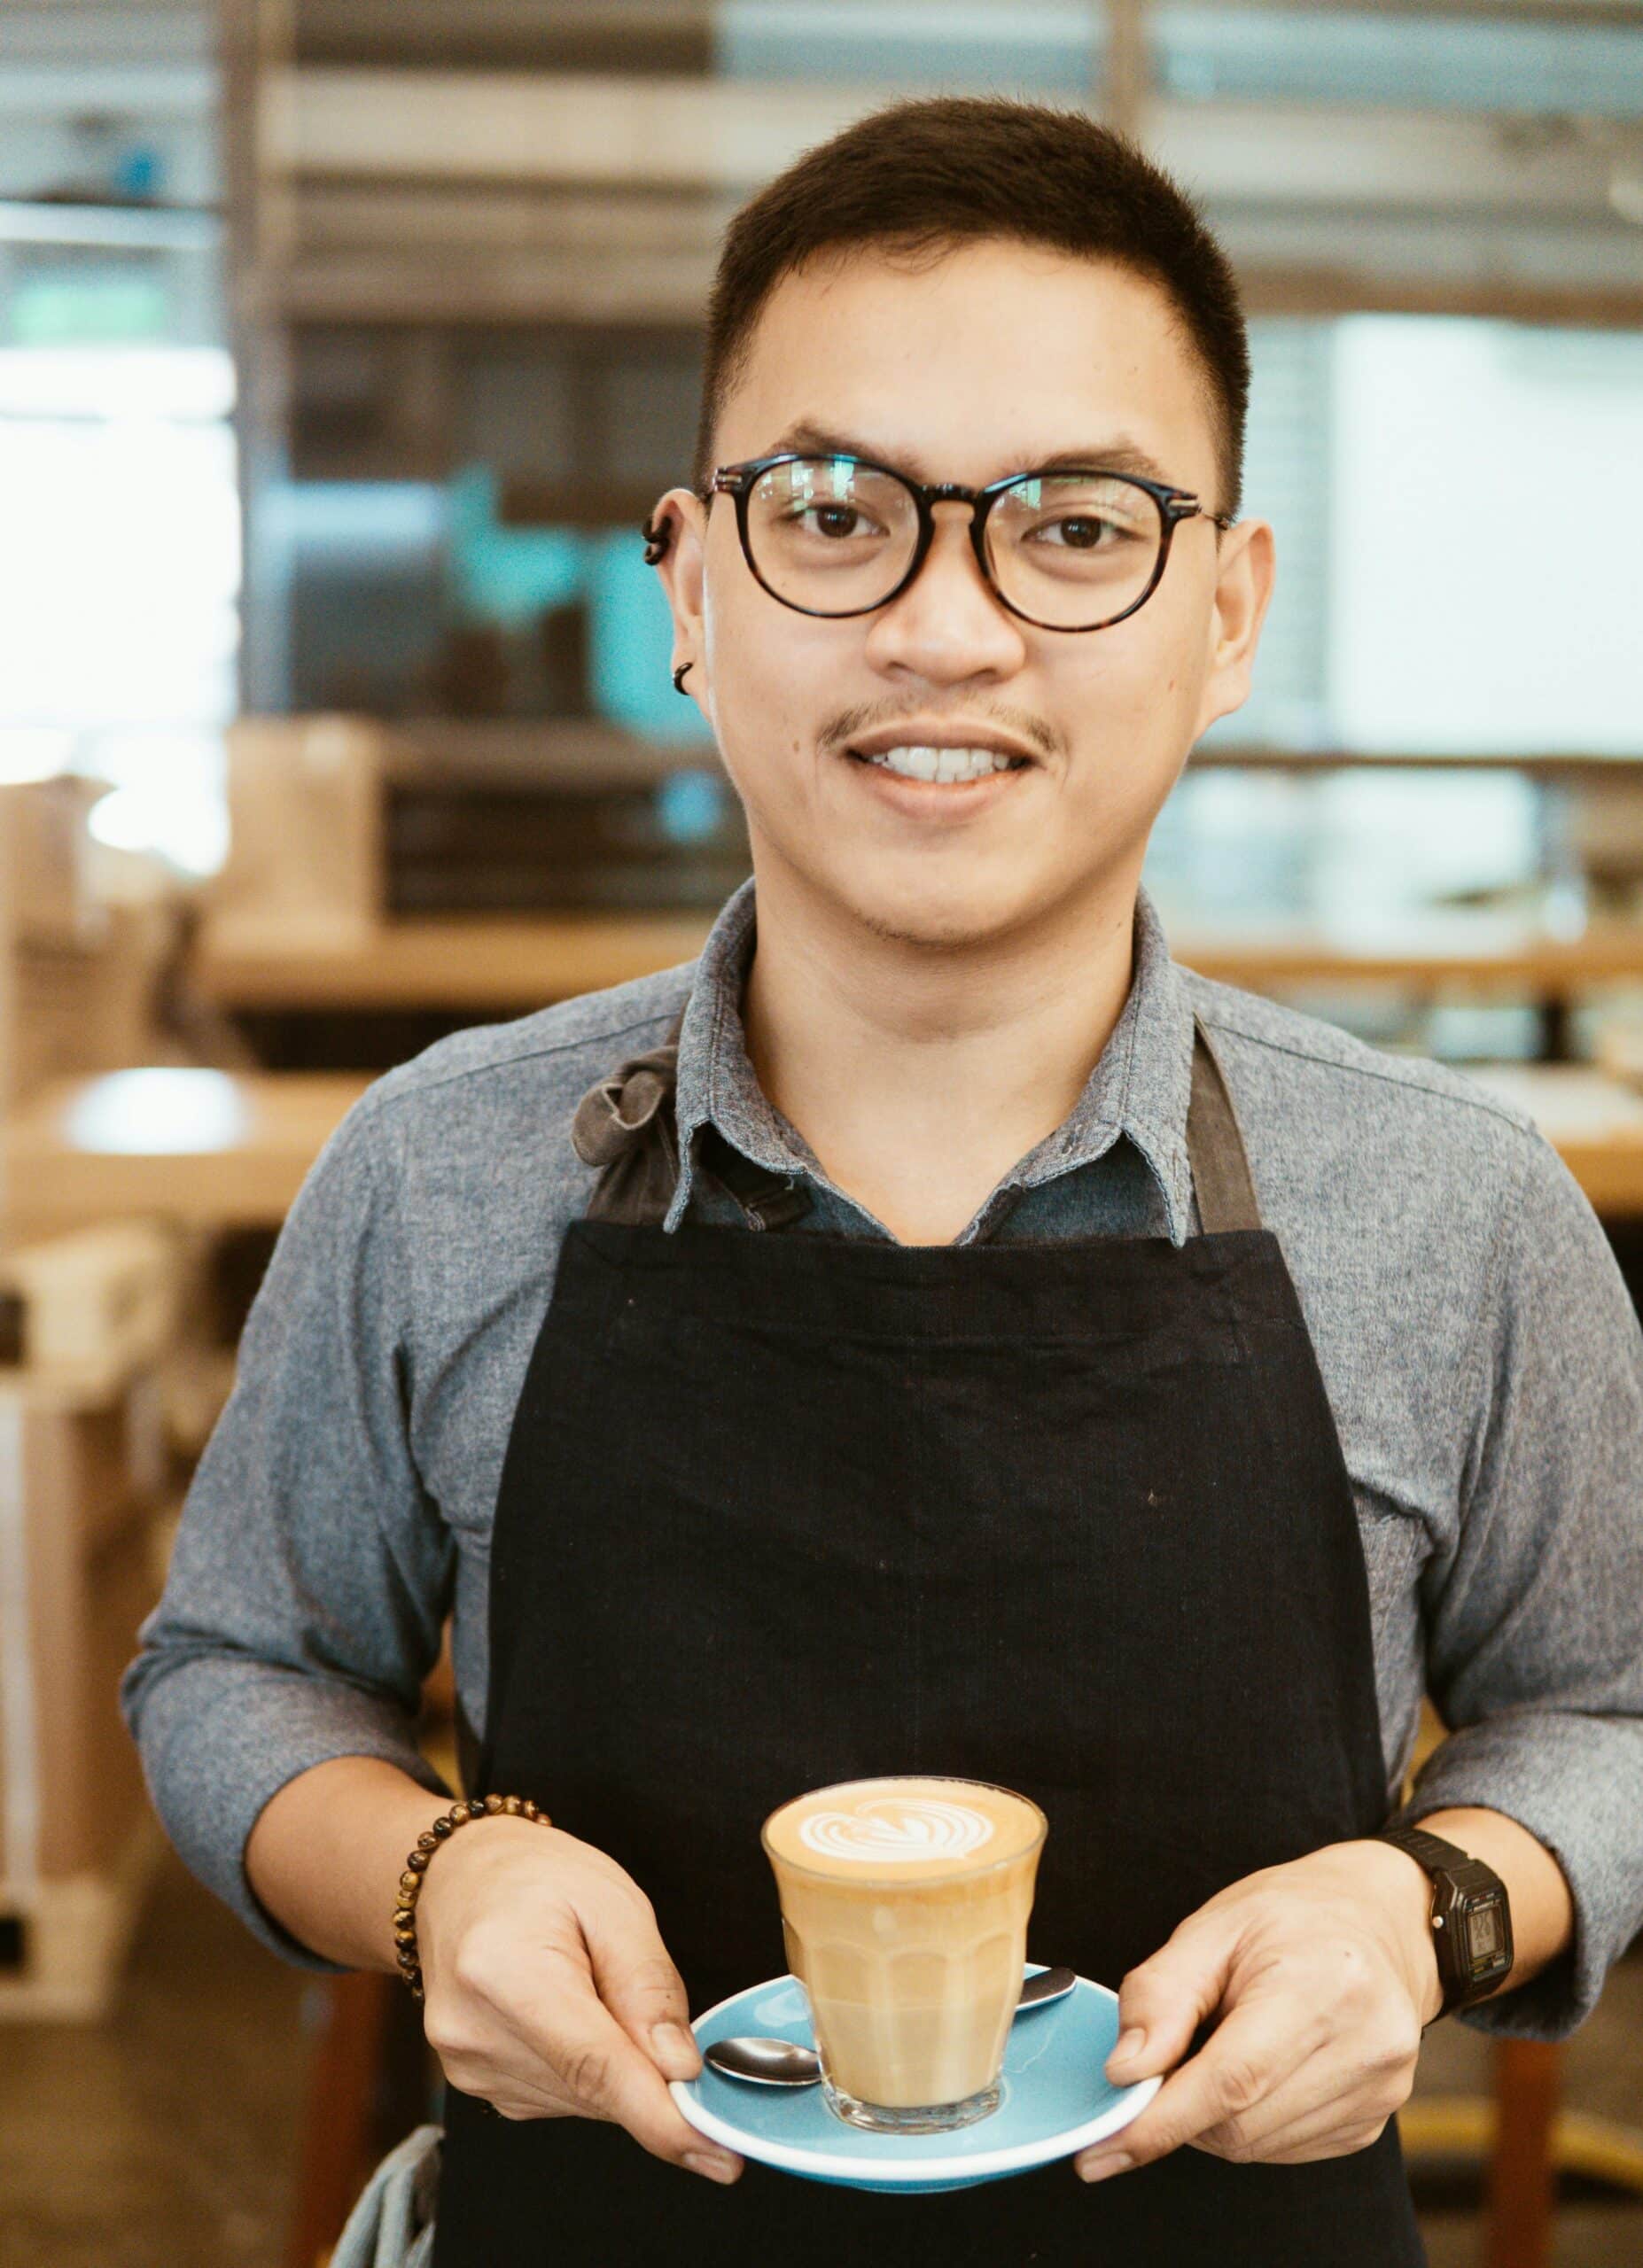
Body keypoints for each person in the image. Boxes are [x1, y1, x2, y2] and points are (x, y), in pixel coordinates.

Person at [125, 97, 1643, 2265]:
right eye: (834, 512)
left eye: (1077, 525)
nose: (946, 627)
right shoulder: (438, 1168)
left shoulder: (1463, 1210)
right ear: (686, 581)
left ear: (1225, 611)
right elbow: (235, 1665)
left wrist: (1428, 1902)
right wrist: (425, 1871)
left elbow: (1610, 1704)